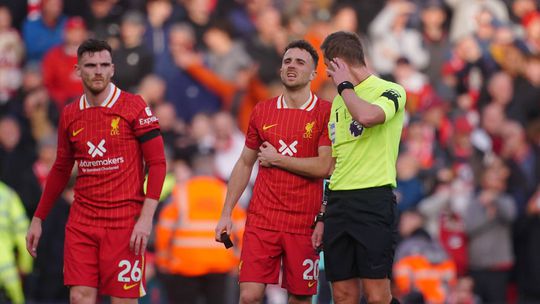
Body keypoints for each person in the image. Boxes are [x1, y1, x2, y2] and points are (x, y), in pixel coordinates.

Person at [25, 38, 167, 304]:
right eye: (90, 65)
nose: (98, 71)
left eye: (104, 65)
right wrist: (38, 218)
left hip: (125, 222)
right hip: (82, 222)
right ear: (78, 70)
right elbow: (60, 168)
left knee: (122, 300)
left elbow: (158, 163)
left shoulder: (133, 105)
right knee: (79, 297)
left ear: (113, 69)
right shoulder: (69, 114)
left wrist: (146, 219)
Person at [214, 39, 332, 304]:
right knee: (249, 295)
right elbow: (245, 163)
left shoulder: (325, 112)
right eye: (287, 61)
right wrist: (226, 212)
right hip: (262, 219)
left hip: (304, 223)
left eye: (300, 62)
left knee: (300, 298)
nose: (292, 66)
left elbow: (325, 167)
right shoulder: (262, 111)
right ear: (280, 71)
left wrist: (278, 159)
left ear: (314, 74)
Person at [314, 31, 406, 304]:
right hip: (339, 205)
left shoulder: (390, 90)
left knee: (377, 296)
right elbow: (335, 163)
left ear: (338, 63)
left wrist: (345, 86)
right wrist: (322, 215)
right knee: (342, 295)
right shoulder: (339, 103)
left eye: (329, 68)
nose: (328, 76)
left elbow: (367, 117)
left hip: (373, 200)